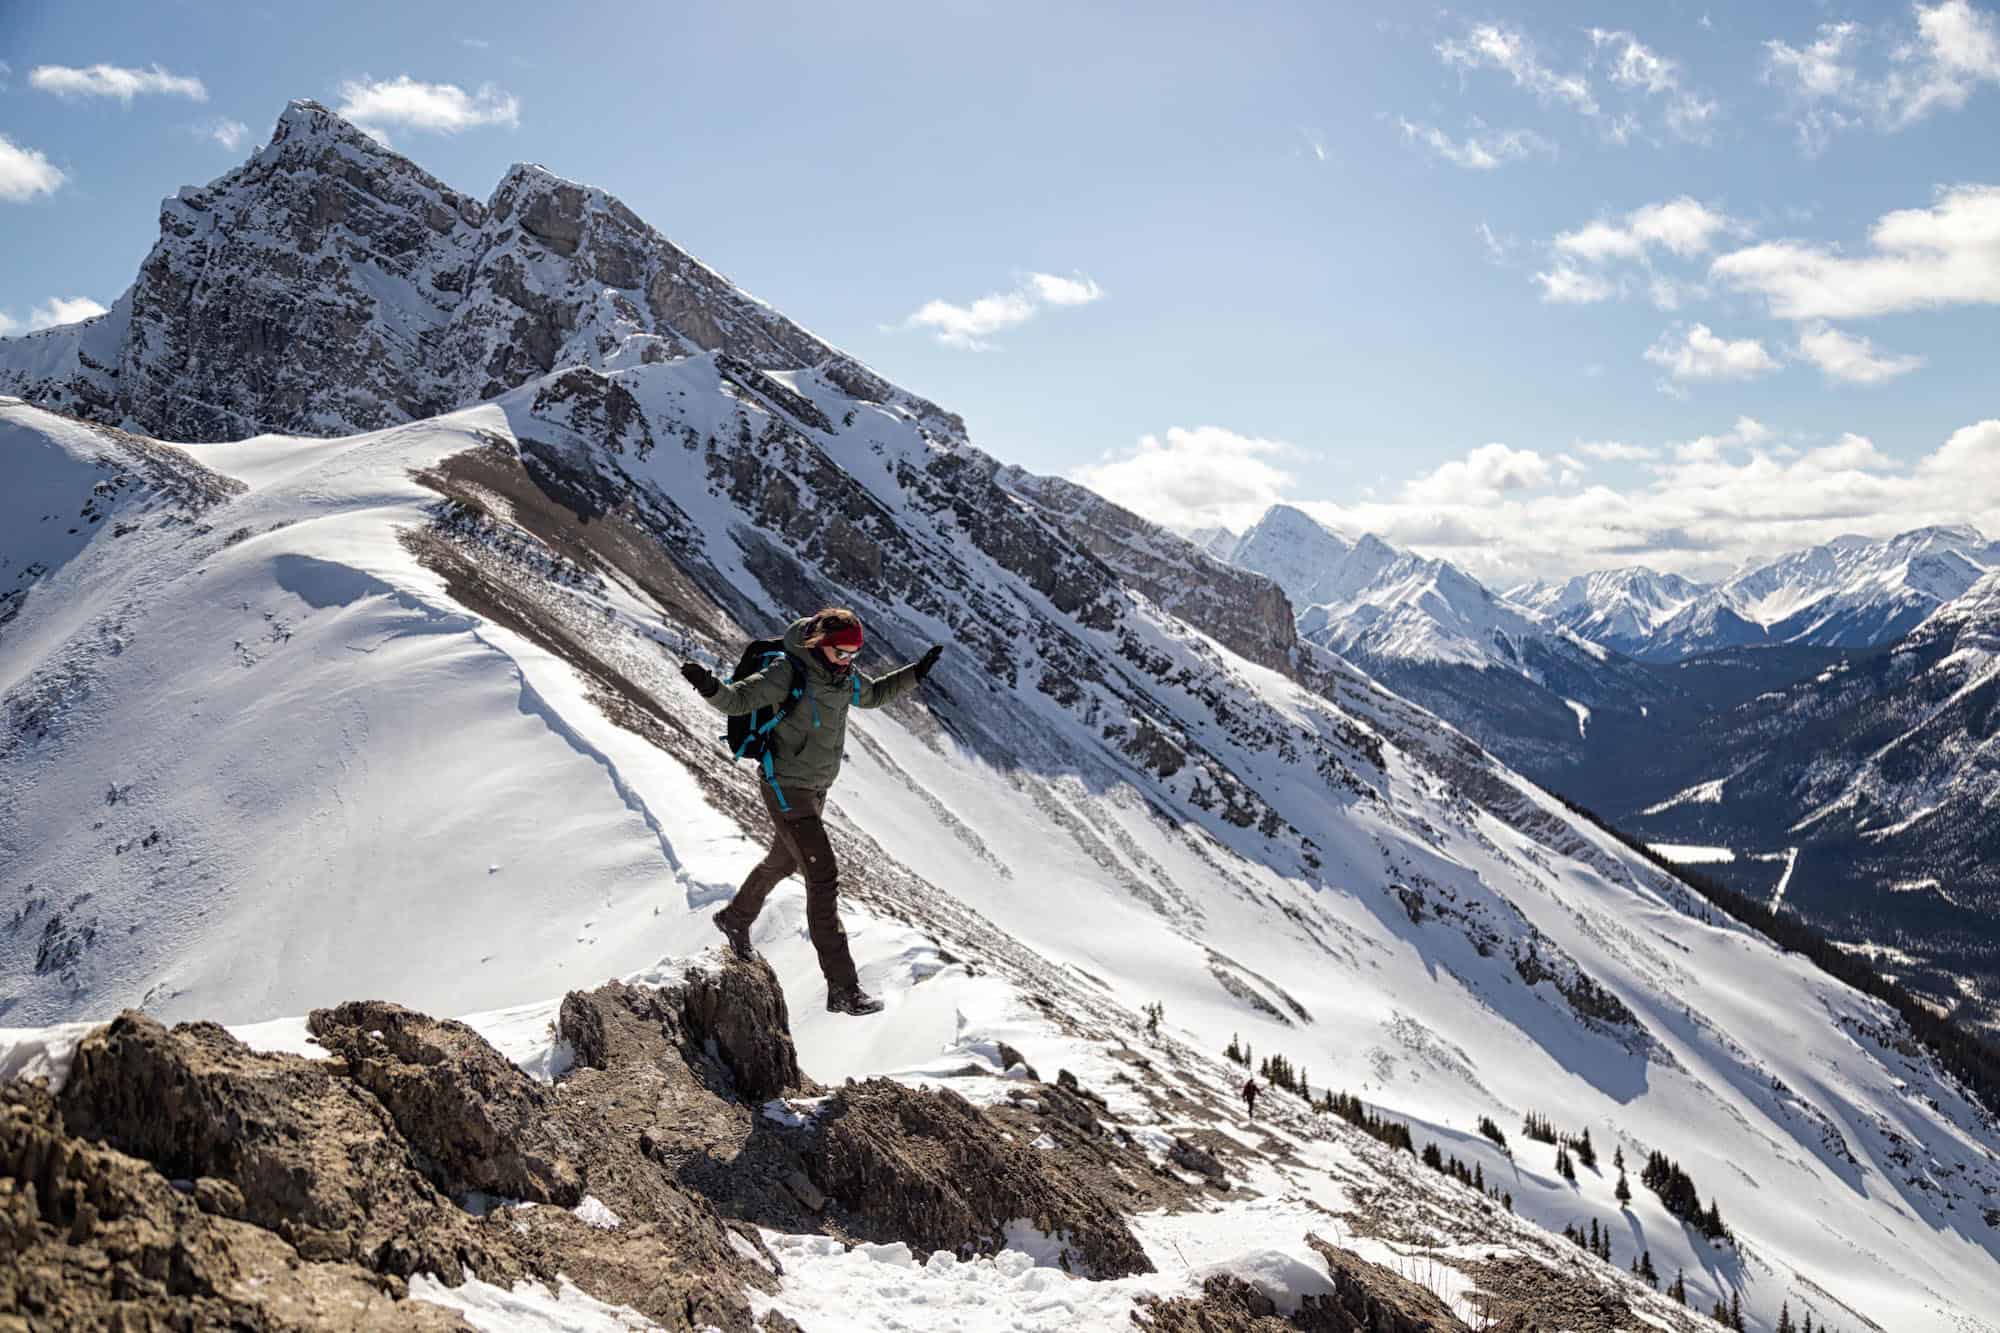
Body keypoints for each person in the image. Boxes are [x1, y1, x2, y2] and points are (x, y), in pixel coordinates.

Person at [681, 608, 943, 1015]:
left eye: (854, 653)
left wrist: (915, 673)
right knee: (822, 879)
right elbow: (738, 700)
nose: (848, 660)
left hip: (817, 788)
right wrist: (708, 685)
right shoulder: (789, 671)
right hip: (786, 788)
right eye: (841, 652)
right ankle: (843, 988)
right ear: (820, 644)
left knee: (783, 861)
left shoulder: (843, 676)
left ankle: (735, 918)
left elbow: (873, 696)